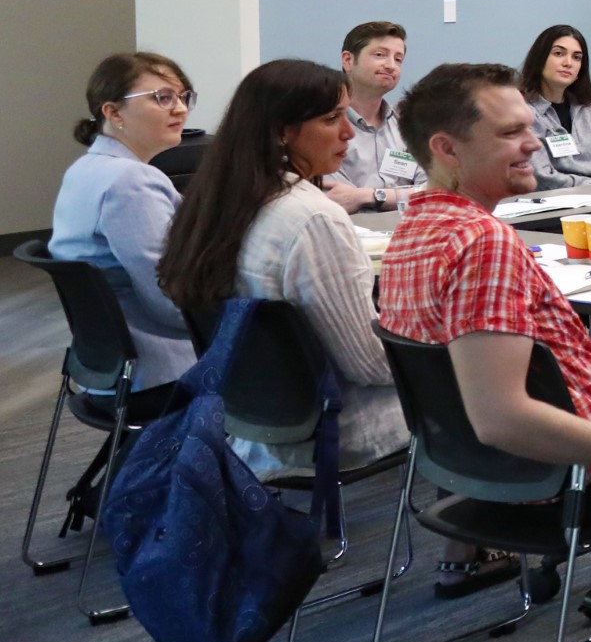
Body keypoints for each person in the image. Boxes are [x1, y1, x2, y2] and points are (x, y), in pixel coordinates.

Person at [376, 64, 591, 610]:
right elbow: (500, 415)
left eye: (529, 127)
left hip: (485, 472)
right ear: (447, 149)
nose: (534, 144)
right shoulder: (484, 244)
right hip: (565, 476)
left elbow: (540, 360)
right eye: (510, 133)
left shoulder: (418, 227)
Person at [157, 59, 410, 478]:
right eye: (331, 119)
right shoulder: (313, 218)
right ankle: (483, 541)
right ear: (280, 131)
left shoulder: (216, 203)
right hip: (337, 428)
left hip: (248, 423)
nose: (348, 132)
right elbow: (369, 366)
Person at [50, 51, 198, 397]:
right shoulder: (130, 181)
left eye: (183, 96)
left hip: (111, 366)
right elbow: (171, 299)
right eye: (162, 98)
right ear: (113, 112)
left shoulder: (87, 169)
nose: (180, 108)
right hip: (159, 369)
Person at [322, 20, 422, 215]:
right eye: (380, 55)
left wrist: (368, 196)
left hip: (409, 234)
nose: (391, 66)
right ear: (348, 61)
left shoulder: (407, 124)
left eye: (398, 59)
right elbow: (340, 199)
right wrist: (401, 197)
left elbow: (433, 191)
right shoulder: (324, 125)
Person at [517, 24, 591, 189]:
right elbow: (542, 177)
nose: (568, 63)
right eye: (558, 54)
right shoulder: (524, 112)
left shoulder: (589, 111)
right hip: (556, 201)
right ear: (540, 60)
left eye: (577, 57)